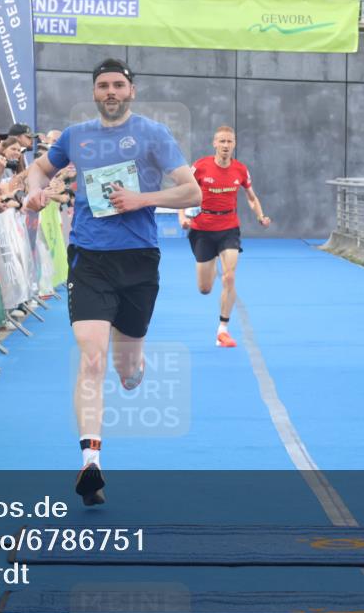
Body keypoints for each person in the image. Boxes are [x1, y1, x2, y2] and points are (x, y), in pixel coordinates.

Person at [22, 58, 201, 505]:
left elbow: (192, 190)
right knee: (93, 358)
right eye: (103, 85)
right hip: (89, 259)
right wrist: (35, 189)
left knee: (125, 367)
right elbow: (40, 168)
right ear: (95, 92)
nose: (111, 92)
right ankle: (91, 462)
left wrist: (144, 198)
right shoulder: (76, 136)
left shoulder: (153, 135)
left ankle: (134, 371)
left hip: (139, 260)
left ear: (132, 91)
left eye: (118, 85)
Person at [179, 126, 270, 348]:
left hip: (229, 227)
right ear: (214, 144)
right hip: (202, 229)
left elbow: (251, 196)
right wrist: (182, 216)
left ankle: (223, 329)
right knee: (205, 288)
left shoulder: (240, 170)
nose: (226, 146)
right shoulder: (200, 167)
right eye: (222, 141)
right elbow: (183, 191)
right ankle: (211, 293)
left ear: (234, 144)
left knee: (229, 277)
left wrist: (260, 215)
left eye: (230, 142)